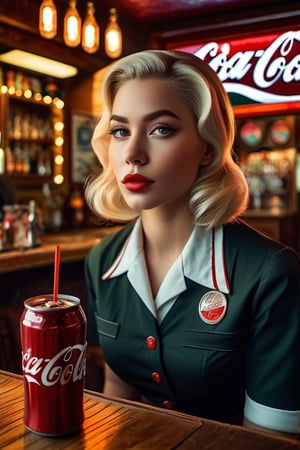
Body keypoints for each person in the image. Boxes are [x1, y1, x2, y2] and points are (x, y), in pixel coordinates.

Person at [84, 49, 300, 439]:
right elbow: (118, 394)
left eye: (160, 129)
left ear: (206, 146)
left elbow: (271, 440)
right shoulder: (102, 260)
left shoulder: (270, 274)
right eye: (120, 131)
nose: (132, 154)